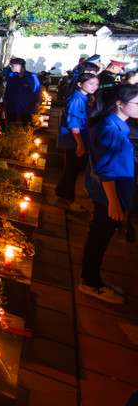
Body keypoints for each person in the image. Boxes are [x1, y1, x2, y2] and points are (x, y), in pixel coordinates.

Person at [78, 84, 137, 304]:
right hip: (108, 196)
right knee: (98, 240)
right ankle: (90, 282)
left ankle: (93, 279)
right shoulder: (109, 129)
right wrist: (113, 202)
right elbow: (107, 170)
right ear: (119, 104)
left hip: (110, 193)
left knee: (99, 238)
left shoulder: (115, 125)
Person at [55, 73, 98, 212]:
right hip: (75, 139)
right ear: (80, 84)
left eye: (96, 84)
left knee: (73, 168)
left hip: (79, 138)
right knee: (72, 169)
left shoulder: (84, 98)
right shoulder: (76, 98)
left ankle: (63, 194)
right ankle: (65, 199)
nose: (94, 87)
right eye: (91, 84)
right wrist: (80, 143)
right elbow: (73, 123)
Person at [2, 58, 41, 125]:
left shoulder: (31, 77)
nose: (11, 67)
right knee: (10, 125)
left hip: (26, 107)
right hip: (12, 106)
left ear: (20, 66)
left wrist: (36, 106)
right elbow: (7, 91)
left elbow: (37, 92)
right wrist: (5, 105)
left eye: (12, 66)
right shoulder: (11, 76)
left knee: (26, 126)